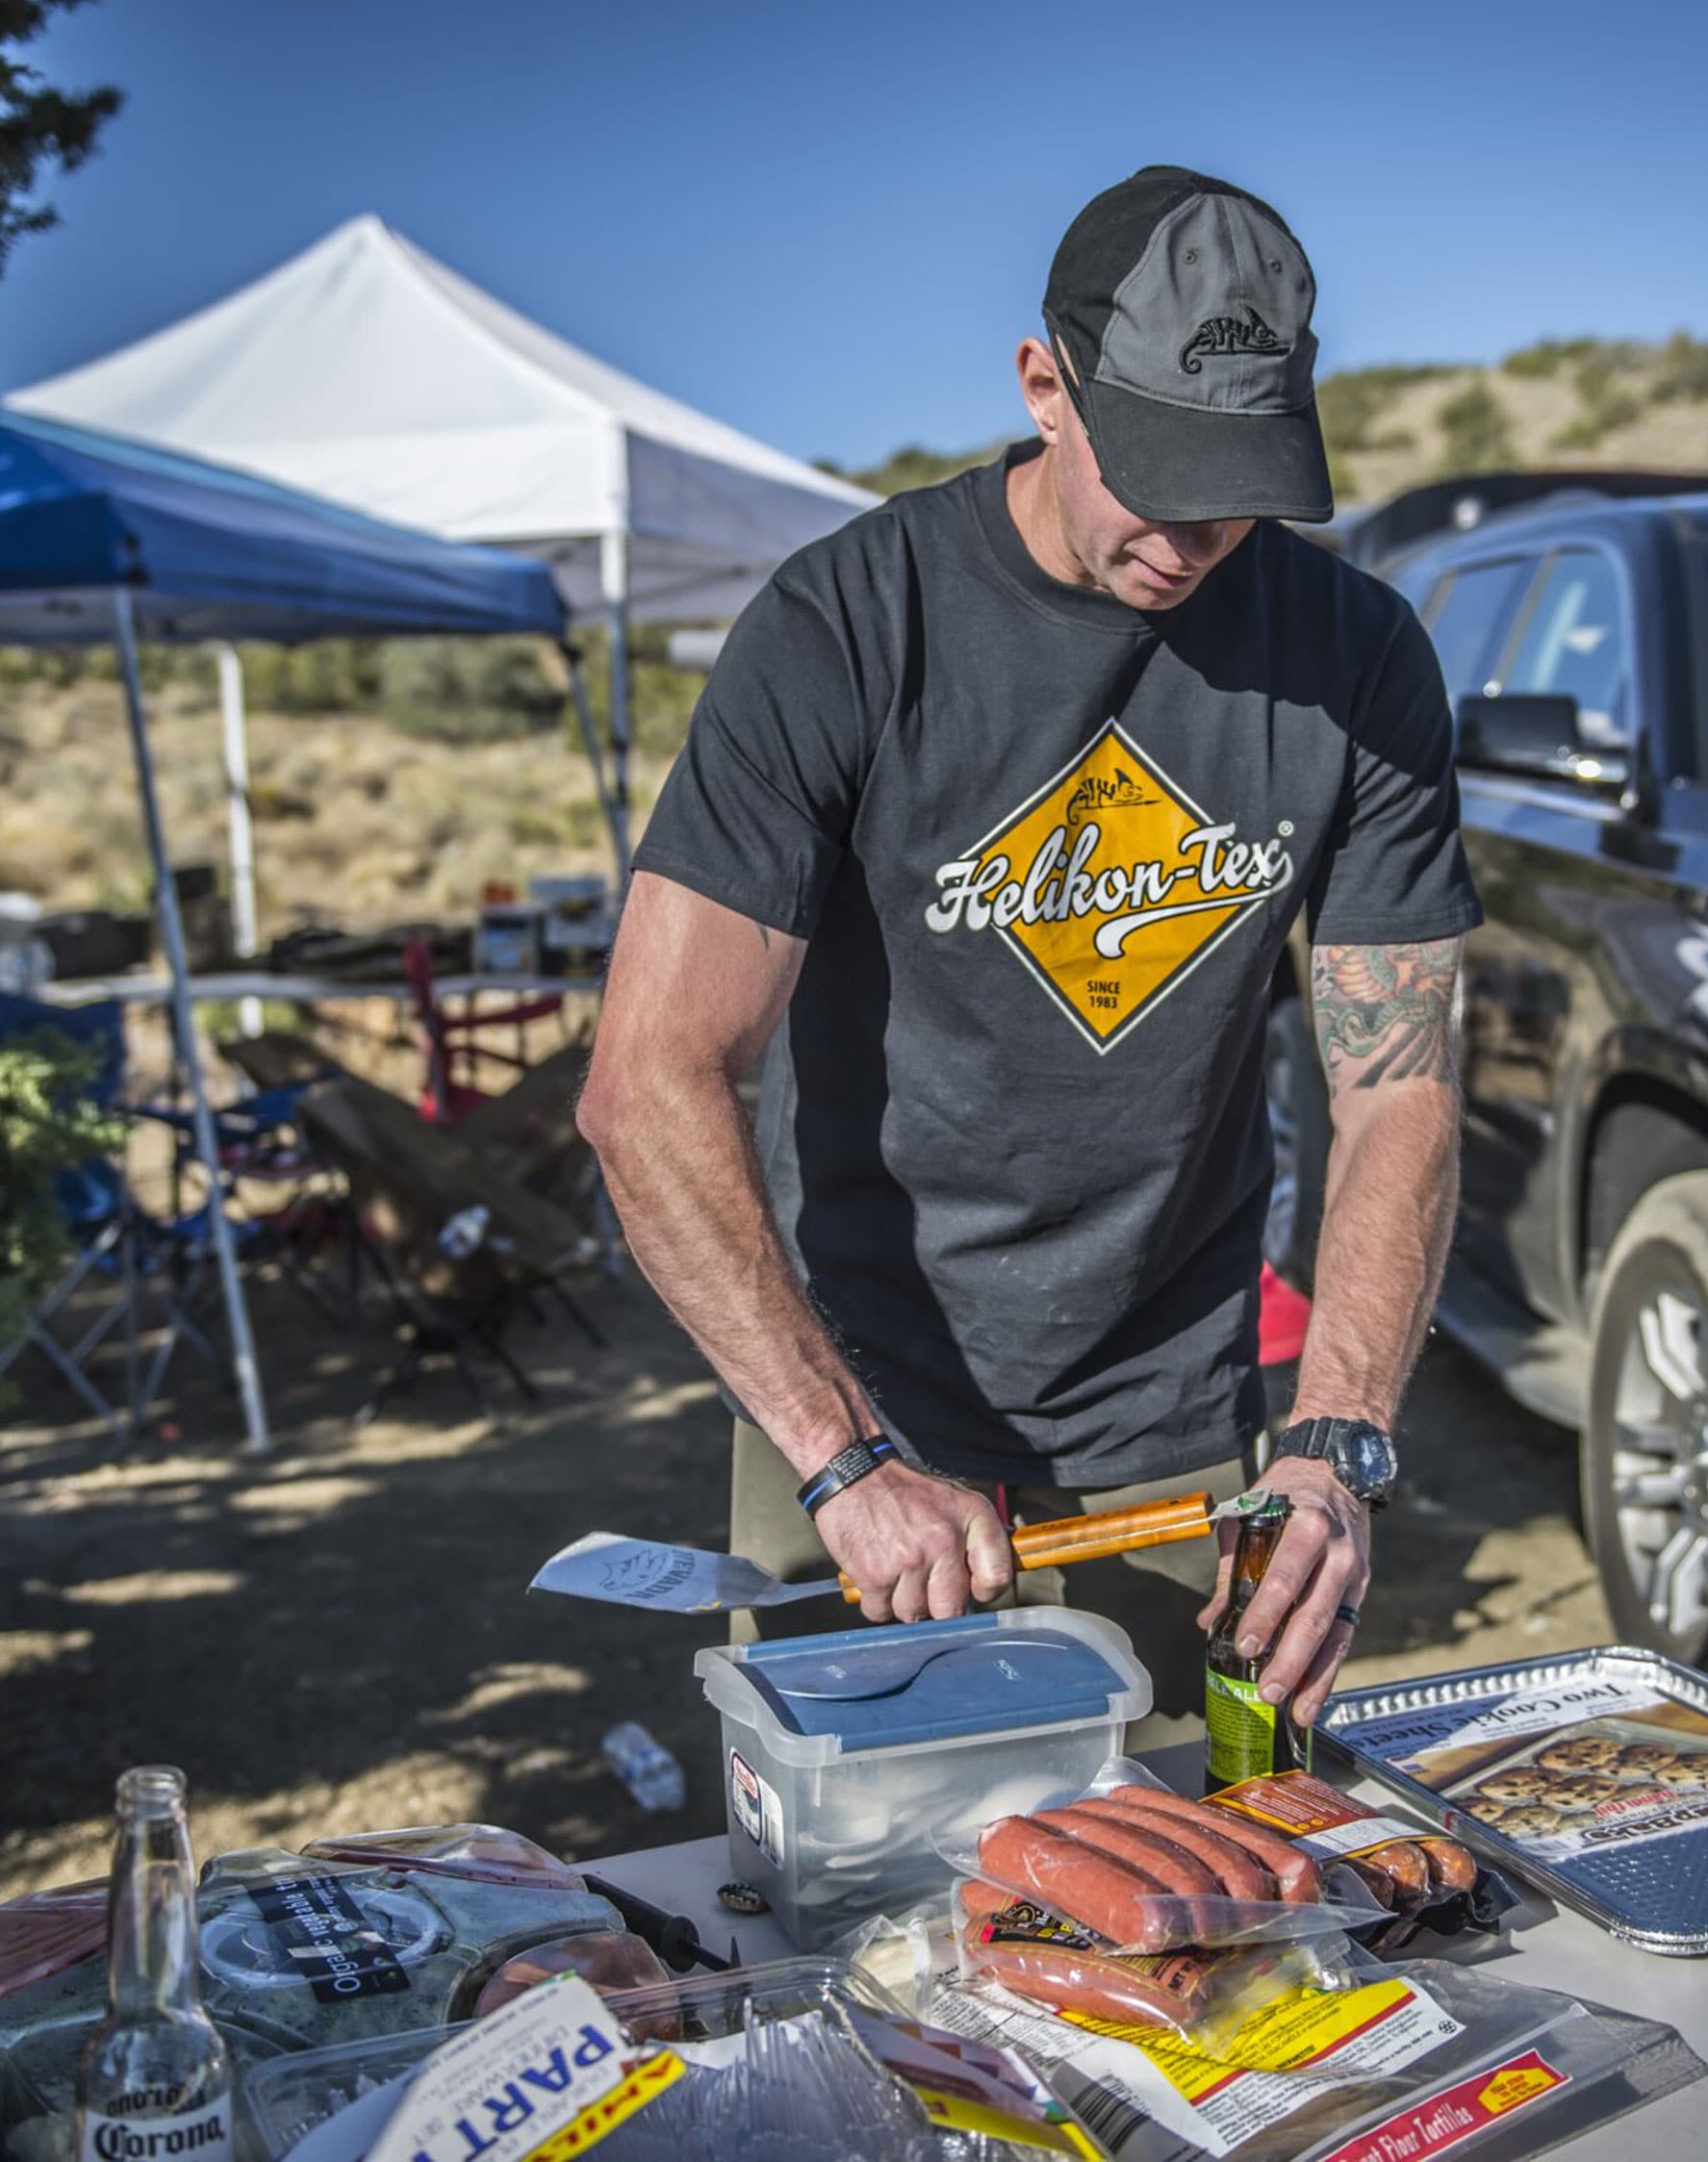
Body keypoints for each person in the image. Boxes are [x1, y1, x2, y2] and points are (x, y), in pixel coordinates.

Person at [577, 165, 1479, 1730]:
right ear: (1043, 386)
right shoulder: (849, 626)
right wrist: (844, 1456)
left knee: (1185, 1904)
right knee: (856, 1922)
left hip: (1182, 1426)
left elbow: (1397, 1089)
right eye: (1163, 469)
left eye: (1242, 480)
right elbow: (650, 1078)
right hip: (858, 1410)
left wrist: (1339, 1443)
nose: (1198, 532)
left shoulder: (1356, 660)